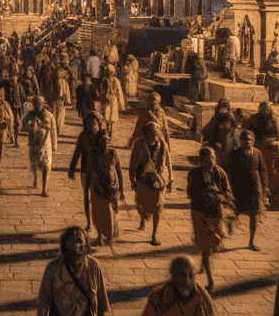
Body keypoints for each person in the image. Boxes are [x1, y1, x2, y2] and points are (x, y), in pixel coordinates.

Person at [187, 146, 239, 292]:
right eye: (208, 158)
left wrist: (228, 201)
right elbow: (191, 192)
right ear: (201, 160)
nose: (211, 161)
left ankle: (205, 261)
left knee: (215, 243)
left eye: (213, 158)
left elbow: (227, 190)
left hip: (216, 213)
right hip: (200, 212)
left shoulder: (220, 172)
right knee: (204, 246)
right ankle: (211, 281)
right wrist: (207, 195)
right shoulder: (194, 174)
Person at [69, 113, 125, 245]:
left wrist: (121, 187)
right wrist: (72, 169)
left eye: (94, 123)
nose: (91, 126)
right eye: (89, 123)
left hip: (109, 183)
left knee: (110, 210)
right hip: (89, 174)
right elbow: (77, 152)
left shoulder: (108, 145)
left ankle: (109, 233)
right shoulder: (84, 138)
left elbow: (118, 168)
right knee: (91, 202)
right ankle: (92, 225)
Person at [129, 121, 173, 246]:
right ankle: (143, 217)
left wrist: (170, 180)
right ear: (146, 133)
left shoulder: (162, 144)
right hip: (143, 180)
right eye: (152, 132)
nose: (154, 135)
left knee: (158, 208)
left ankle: (154, 235)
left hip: (159, 181)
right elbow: (133, 162)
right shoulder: (139, 144)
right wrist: (132, 179)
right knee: (140, 205)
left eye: (156, 132)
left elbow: (168, 162)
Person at [226, 130, 268, 251]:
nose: (247, 141)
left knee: (254, 216)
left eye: (249, 139)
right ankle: (222, 236)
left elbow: (263, 171)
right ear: (240, 141)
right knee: (233, 213)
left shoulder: (257, 153)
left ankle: (251, 242)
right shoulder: (234, 154)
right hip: (239, 189)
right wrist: (229, 190)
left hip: (254, 189)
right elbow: (229, 172)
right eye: (244, 139)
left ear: (253, 141)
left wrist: (265, 187)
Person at [246, 101, 279, 204]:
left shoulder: (275, 119)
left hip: (273, 147)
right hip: (258, 146)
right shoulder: (254, 119)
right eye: (263, 109)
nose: (265, 111)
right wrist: (259, 142)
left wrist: (274, 141)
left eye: (267, 109)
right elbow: (248, 133)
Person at [22, 96, 57, 197]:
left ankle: (44, 189)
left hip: (46, 143)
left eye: (40, 103)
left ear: (43, 103)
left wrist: (54, 145)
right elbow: (23, 126)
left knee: (46, 165)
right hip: (33, 143)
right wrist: (30, 125)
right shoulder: (30, 114)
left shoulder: (49, 115)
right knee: (34, 163)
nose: (38, 105)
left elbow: (53, 130)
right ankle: (35, 178)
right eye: (36, 103)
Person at [201, 98, 239, 169]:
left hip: (228, 141)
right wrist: (212, 142)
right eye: (221, 107)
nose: (223, 110)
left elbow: (234, 130)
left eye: (224, 108)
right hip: (217, 141)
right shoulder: (216, 117)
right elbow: (210, 130)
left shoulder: (230, 117)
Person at [98, 64, 125, 139]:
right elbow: (101, 90)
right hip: (105, 100)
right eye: (108, 71)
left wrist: (121, 104)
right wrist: (102, 98)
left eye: (110, 71)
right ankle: (106, 131)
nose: (109, 73)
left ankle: (110, 131)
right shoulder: (104, 80)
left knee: (111, 117)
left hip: (113, 100)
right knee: (106, 117)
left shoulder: (116, 81)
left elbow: (119, 92)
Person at [49, 64, 71, 138]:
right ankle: (55, 129)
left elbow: (66, 92)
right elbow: (51, 91)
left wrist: (66, 100)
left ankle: (57, 129)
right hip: (55, 100)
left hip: (60, 101)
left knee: (59, 116)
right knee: (55, 115)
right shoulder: (54, 82)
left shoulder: (64, 82)